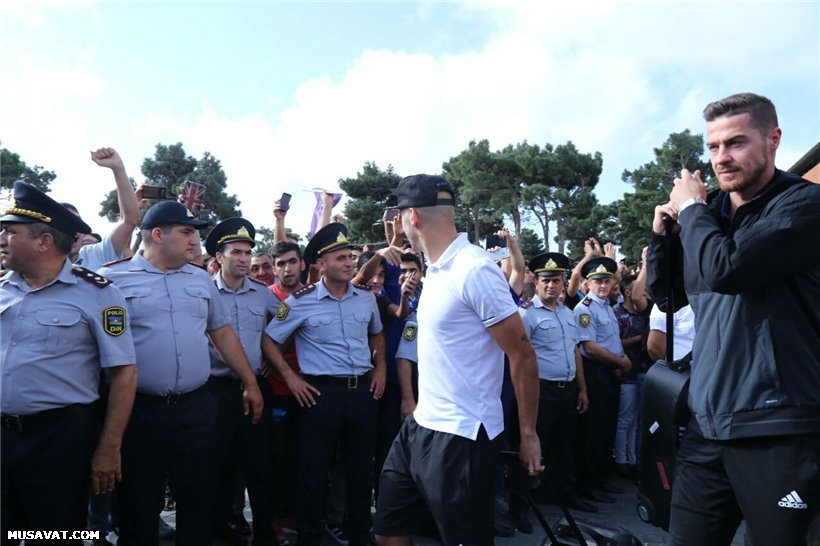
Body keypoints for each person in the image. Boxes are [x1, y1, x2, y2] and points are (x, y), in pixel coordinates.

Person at [647, 92, 820, 546]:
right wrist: (663, 236)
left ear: (773, 139)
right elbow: (669, 296)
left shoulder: (802, 205)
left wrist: (691, 210)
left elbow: (730, 269)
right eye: (714, 147)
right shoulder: (713, 217)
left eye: (736, 143)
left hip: (778, 427)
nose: (722, 157)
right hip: (707, 425)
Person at [374, 174, 541, 546]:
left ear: (412, 216)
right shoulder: (436, 267)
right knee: (388, 530)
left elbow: (522, 353)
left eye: (399, 216)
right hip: (421, 426)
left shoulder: (473, 268)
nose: (398, 224)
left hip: (461, 436)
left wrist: (528, 433)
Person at [98, 200, 264, 546]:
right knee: (139, 504)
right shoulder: (112, 279)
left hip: (196, 408)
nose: (195, 241)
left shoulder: (200, 279)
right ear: (158, 235)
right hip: (140, 412)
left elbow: (221, 333)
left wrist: (250, 381)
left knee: (199, 498)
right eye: (187, 232)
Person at [0, 181, 137, 540]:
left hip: (58, 441)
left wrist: (109, 448)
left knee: (54, 533)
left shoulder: (99, 295)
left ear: (43, 241)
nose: (1, 238)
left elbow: (124, 374)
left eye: (10, 231)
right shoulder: (2, 289)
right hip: (2, 436)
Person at [263, 222, 386, 546]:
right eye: (341, 258)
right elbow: (270, 340)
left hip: (361, 392)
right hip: (320, 395)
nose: (350, 263)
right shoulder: (300, 301)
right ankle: (310, 536)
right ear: (321, 264)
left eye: (351, 257)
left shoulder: (365, 298)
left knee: (360, 470)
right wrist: (291, 378)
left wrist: (381, 367)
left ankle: (361, 534)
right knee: (313, 472)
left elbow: (377, 333)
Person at [204, 217, 280, 546]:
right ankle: (222, 532)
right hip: (215, 390)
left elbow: (289, 322)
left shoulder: (263, 295)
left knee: (259, 465)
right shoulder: (203, 292)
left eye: (248, 253)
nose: (244, 259)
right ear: (219, 257)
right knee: (217, 465)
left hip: (256, 391)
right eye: (236, 252)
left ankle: (265, 534)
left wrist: (271, 363)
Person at [517, 252, 594, 515]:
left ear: (564, 284)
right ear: (536, 283)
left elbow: (575, 351)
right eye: (546, 280)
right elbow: (518, 357)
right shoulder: (526, 315)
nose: (552, 285)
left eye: (557, 280)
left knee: (566, 447)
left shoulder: (569, 314)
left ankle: (566, 497)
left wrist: (582, 389)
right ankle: (523, 506)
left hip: (568, 389)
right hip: (541, 391)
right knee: (534, 447)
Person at [574, 256, 630, 502]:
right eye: (597, 282)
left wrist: (620, 359)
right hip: (595, 373)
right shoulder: (585, 308)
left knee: (606, 428)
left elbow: (612, 341)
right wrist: (619, 362)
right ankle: (589, 484)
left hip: (609, 372)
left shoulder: (607, 307)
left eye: (607, 281)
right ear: (587, 284)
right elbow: (590, 346)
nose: (603, 286)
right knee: (594, 431)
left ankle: (601, 478)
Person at [67, 147, 140, 270]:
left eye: (77, 225)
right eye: (66, 224)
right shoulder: (32, 264)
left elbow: (129, 220)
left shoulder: (96, 254)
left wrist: (118, 168)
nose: (73, 231)